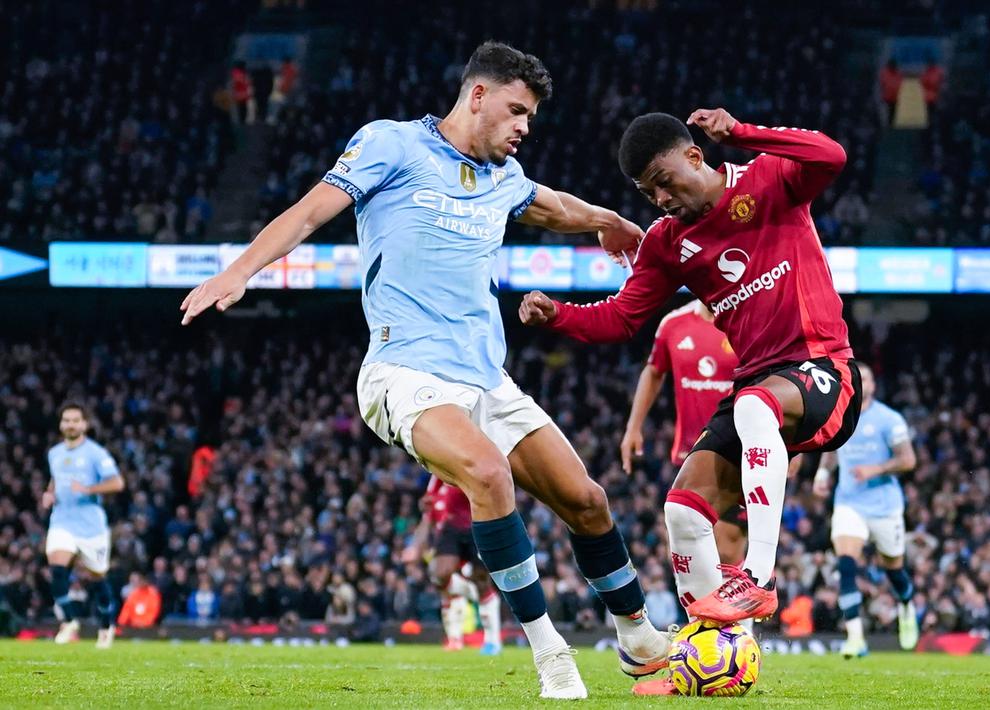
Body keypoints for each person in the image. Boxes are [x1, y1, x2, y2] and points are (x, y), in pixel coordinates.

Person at [180, 41, 665, 700]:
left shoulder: (503, 177)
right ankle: (550, 654)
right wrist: (239, 270)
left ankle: (638, 637)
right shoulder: (392, 146)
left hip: (486, 377)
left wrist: (609, 221)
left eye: (531, 116)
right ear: (477, 96)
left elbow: (551, 205)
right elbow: (309, 211)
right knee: (489, 474)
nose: (524, 127)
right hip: (403, 371)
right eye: (516, 110)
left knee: (587, 501)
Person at [521, 108, 860, 639]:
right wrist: (558, 315)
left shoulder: (768, 178)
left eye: (664, 181)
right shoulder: (666, 242)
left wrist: (745, 133)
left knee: (754, 404)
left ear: (695, 155)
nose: (659, 198)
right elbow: (622, 317)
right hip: (757, 385)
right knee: (682, 510)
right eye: (647, 191)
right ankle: (711, 656)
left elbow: (832, 155)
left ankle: (758, 577)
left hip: (823, 370)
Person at [620, 301, 747, 577]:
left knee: (726, 548)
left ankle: (733, 620)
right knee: (684, 549)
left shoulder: (748, 319)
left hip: (739, 454)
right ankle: (702, 618)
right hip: (690, 454)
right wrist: (633, 427)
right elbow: (653, 372)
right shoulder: (673, 324)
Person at [813, 362, 918, 658]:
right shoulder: (840, 414)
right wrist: (822, 474)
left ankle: (907, 604)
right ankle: (855, 637)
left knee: (893, 569)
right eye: (861, 377)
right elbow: (832, 450)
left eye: (869, 377)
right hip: (849, 502)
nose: (864, 382)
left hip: (885, 506)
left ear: (874, 385)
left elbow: (908, 460)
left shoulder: (889, 419)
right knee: (846, 563)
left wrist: (877, 468)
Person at [41, 403, 125, 648]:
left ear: (84, 424)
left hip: (91, 525)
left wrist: (89, 489)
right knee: (56, 566)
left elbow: (117, 483)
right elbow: (56, 479)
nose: (70, 424)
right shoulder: (54, 453)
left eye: (75, 420)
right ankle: (68, 622)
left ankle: (106, 626)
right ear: (61, 424)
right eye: (66, 420)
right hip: (62, 520)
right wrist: (49, 493)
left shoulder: (96, 454)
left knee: (98, 577)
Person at [407, 476, 503, 655]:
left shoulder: (464, 466)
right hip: (450, 529)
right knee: (439, 573)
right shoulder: (436, 478)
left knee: (481, 581)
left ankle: (492, 641)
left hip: (476, 525)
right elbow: (427, 515)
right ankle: (455, 635)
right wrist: (414, 547)